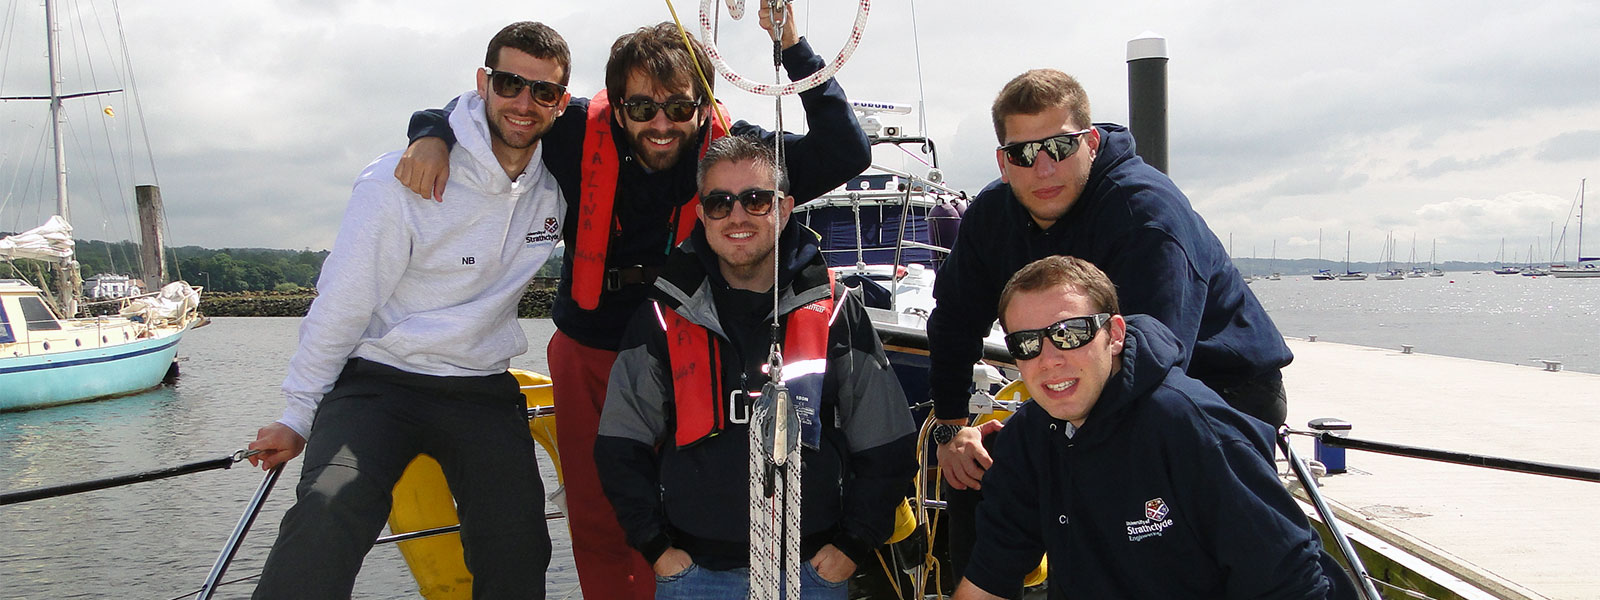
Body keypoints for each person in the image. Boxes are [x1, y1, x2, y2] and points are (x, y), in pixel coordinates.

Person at [393, 10, 870, 599]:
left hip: (691, 351)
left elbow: (847, 149)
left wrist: (790, 44)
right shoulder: (572, 130)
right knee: (596, 513)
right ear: (617, 106)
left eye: (678, 107)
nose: (661, 124)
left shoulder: (730, 157)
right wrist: (430, 135)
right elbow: (482, 108)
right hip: (590, 349)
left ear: (702, 107)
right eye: (642, 108)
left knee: (691, 507)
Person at [244, 21, 570, 599]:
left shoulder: (558, 183)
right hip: (378, 386)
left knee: (518, 542)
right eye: (509, 83)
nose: (524, 103)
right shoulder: (400, 180)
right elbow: (342, 306)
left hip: (480, 389)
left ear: (561, 102)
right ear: (482, 84)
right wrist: (297, 414)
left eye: (543, 92)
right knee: (327, 509)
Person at [925, 68, 1295, 577]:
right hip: (1090, 381)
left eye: (1058, 146)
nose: (1043, 168)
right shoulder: (991, 215)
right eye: (1023, 154)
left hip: (1211, 390)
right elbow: (953, 321)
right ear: (1003, 161)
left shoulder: (1145, 214)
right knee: (980, 470)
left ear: (1092, 142)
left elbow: (1155, 360)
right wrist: (952, 428)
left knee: (1154, 537)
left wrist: (1040, 438)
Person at [593, 135, 915, 598]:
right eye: (720, 203)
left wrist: (853, 545)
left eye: (756, 200)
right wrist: (656, 548)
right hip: (693, 577)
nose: (737, 216)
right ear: (701, 216)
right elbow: (620, 444)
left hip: (814, 573)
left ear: (784, 210)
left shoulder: (838, 311)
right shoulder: (662, 317)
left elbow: (888, 441)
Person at [952, 256, 1352, 599]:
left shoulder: (1194, 429)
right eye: (1026, 343)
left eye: (1069, 334)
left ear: (1115, 336)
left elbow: (1292, 583)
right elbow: (989, 577)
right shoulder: (1031, 437)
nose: (1049, 359)